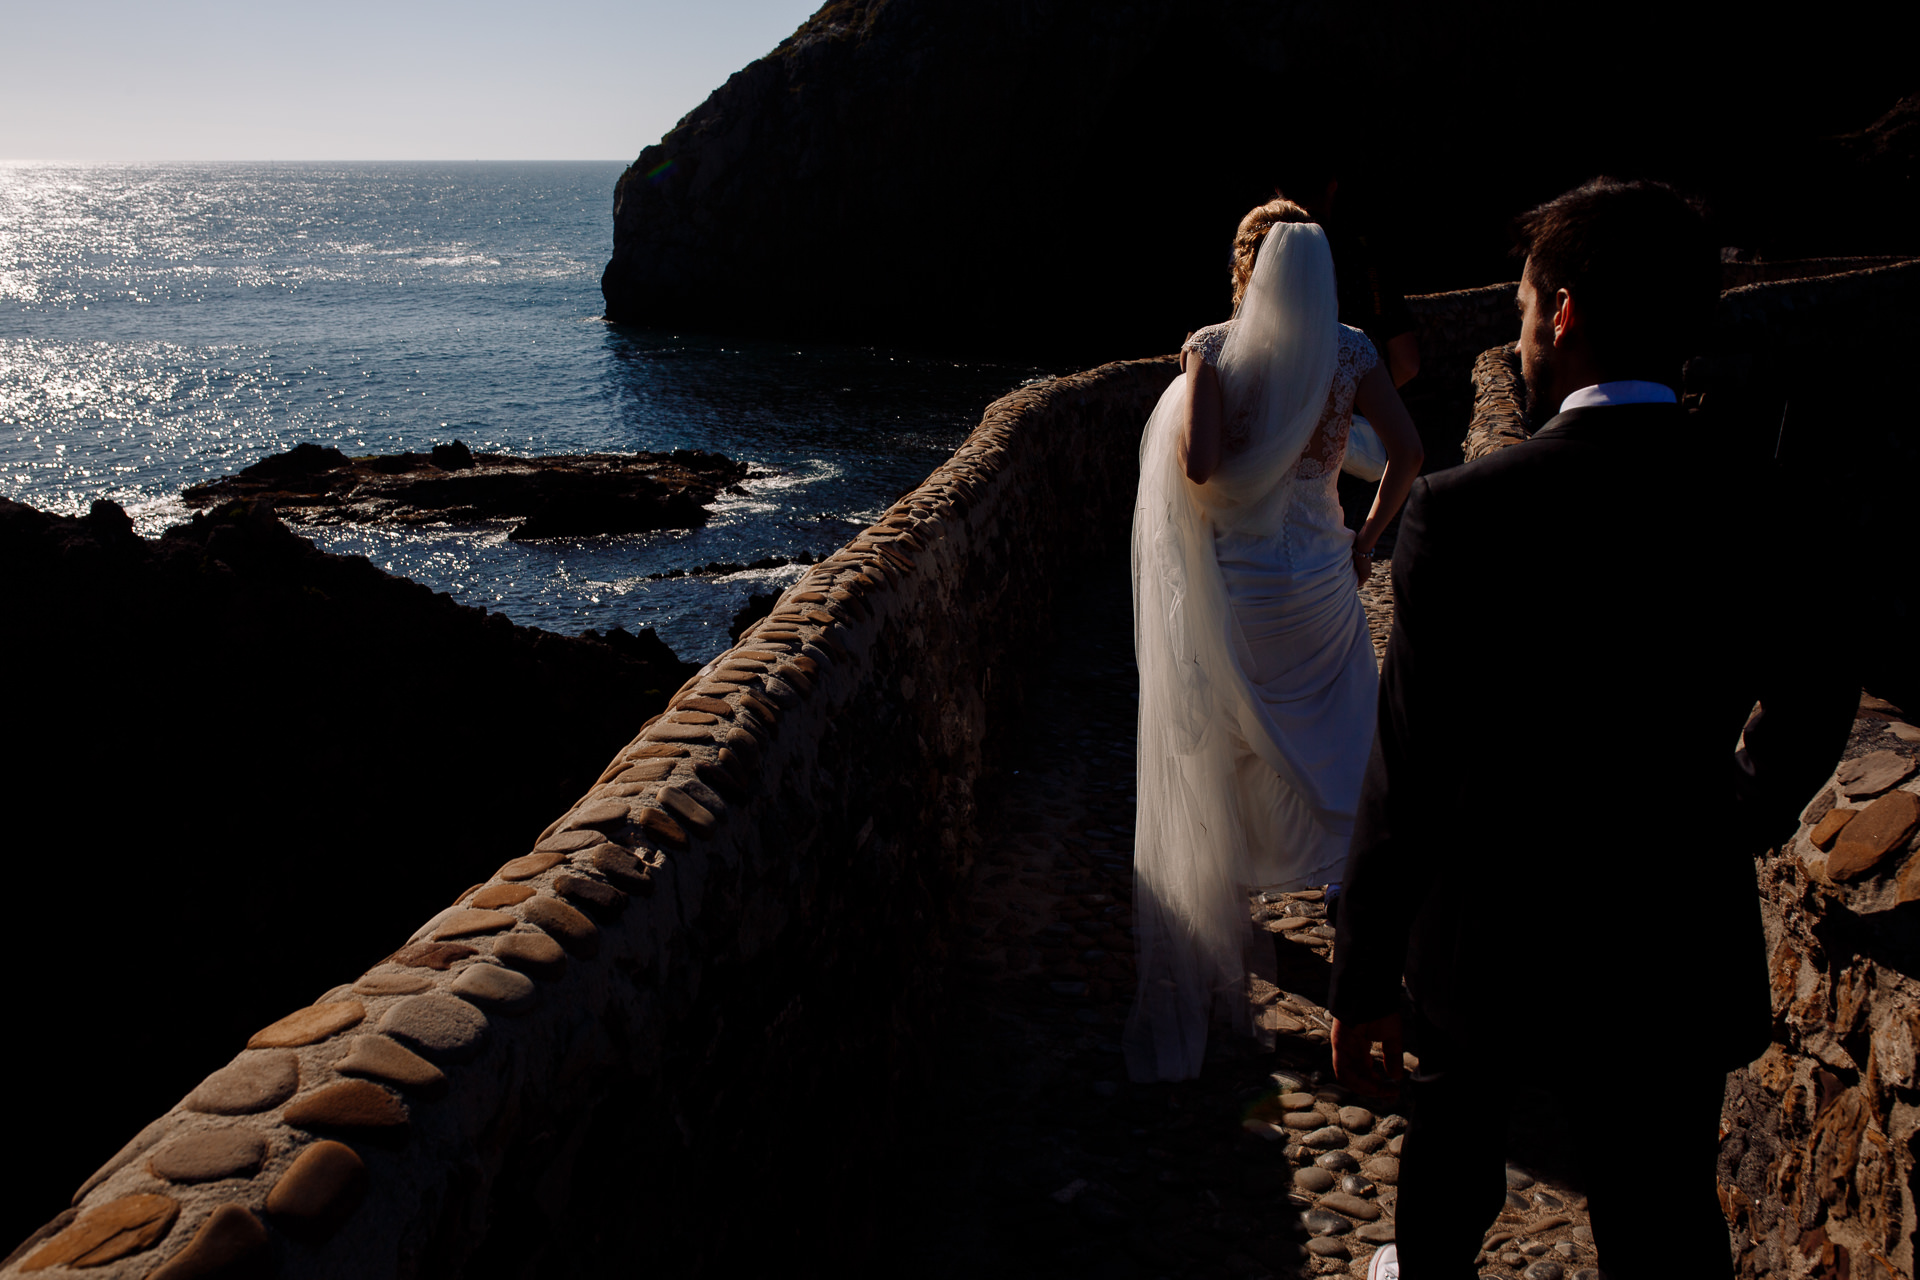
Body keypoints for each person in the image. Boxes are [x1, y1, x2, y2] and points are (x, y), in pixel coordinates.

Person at [1326, 179, 1859, 1278]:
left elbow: (1408, 772)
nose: (1520, 332)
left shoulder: (1463, 515)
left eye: (1524, 304)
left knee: (1445, 1198)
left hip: (1483, 938)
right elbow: (1817, 695)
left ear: (1560, 313)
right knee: (1662, 1217)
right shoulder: (1762, 502)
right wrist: (1740, 809)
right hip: (1667, 937)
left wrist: (1363, 973)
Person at [1127, 199, 1424, 1082]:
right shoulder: (1351, 351)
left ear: (1246, 265)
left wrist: (1193, 393)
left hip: (1242, 586)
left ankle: (1224, 892)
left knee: (1230, 736)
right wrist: (1368, 540)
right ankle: (1348, 890)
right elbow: (1405, 452)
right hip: (1322, 580)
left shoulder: (1211, 348)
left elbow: (1199, 464)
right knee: (1344, 734)